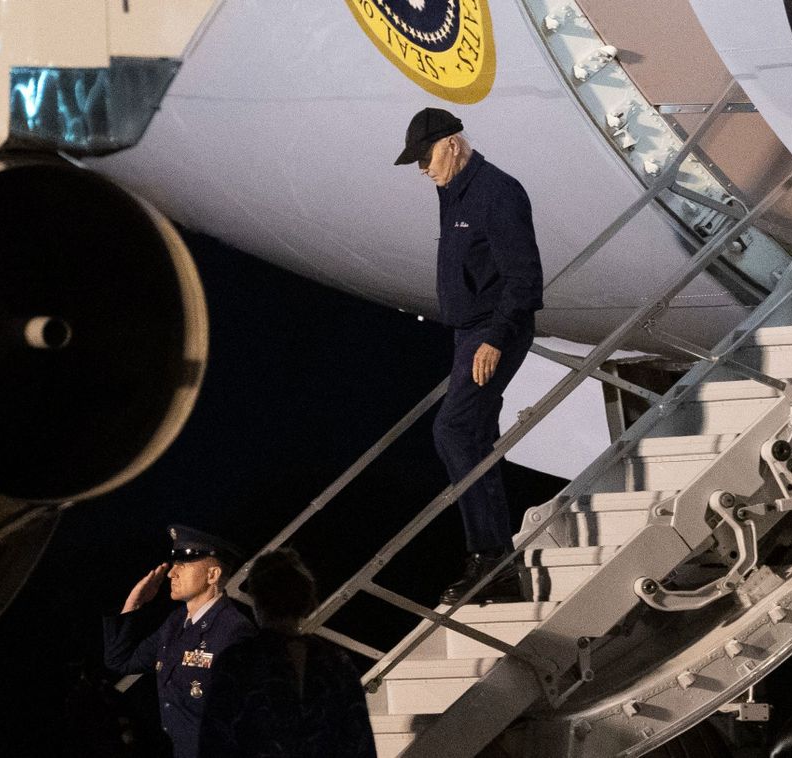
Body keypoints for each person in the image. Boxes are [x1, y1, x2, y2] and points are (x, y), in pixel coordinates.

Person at [395, 107, 544, 605]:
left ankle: (489, 557)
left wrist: (495, 337)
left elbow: (524, 278)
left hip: (492, 334)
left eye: (427, 157)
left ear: (453, 144)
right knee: (473, 435)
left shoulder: (497, 192)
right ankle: (497, 568)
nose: (422, 169)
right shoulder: (451, 187)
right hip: (467, 334)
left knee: (453, 430)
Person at [198, 549, 377, 758]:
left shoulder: (239, 662)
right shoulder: (336, 661)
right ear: (305, 600)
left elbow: (215, 744)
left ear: (258, 601)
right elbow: (360, 743)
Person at [104, 525, 256, 758]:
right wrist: (133, 605)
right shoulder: (175, 623)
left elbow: (245, 719)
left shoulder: (233, 631)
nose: (171, 574)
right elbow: (120, 661)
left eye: (182, 565)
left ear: (212, 575)